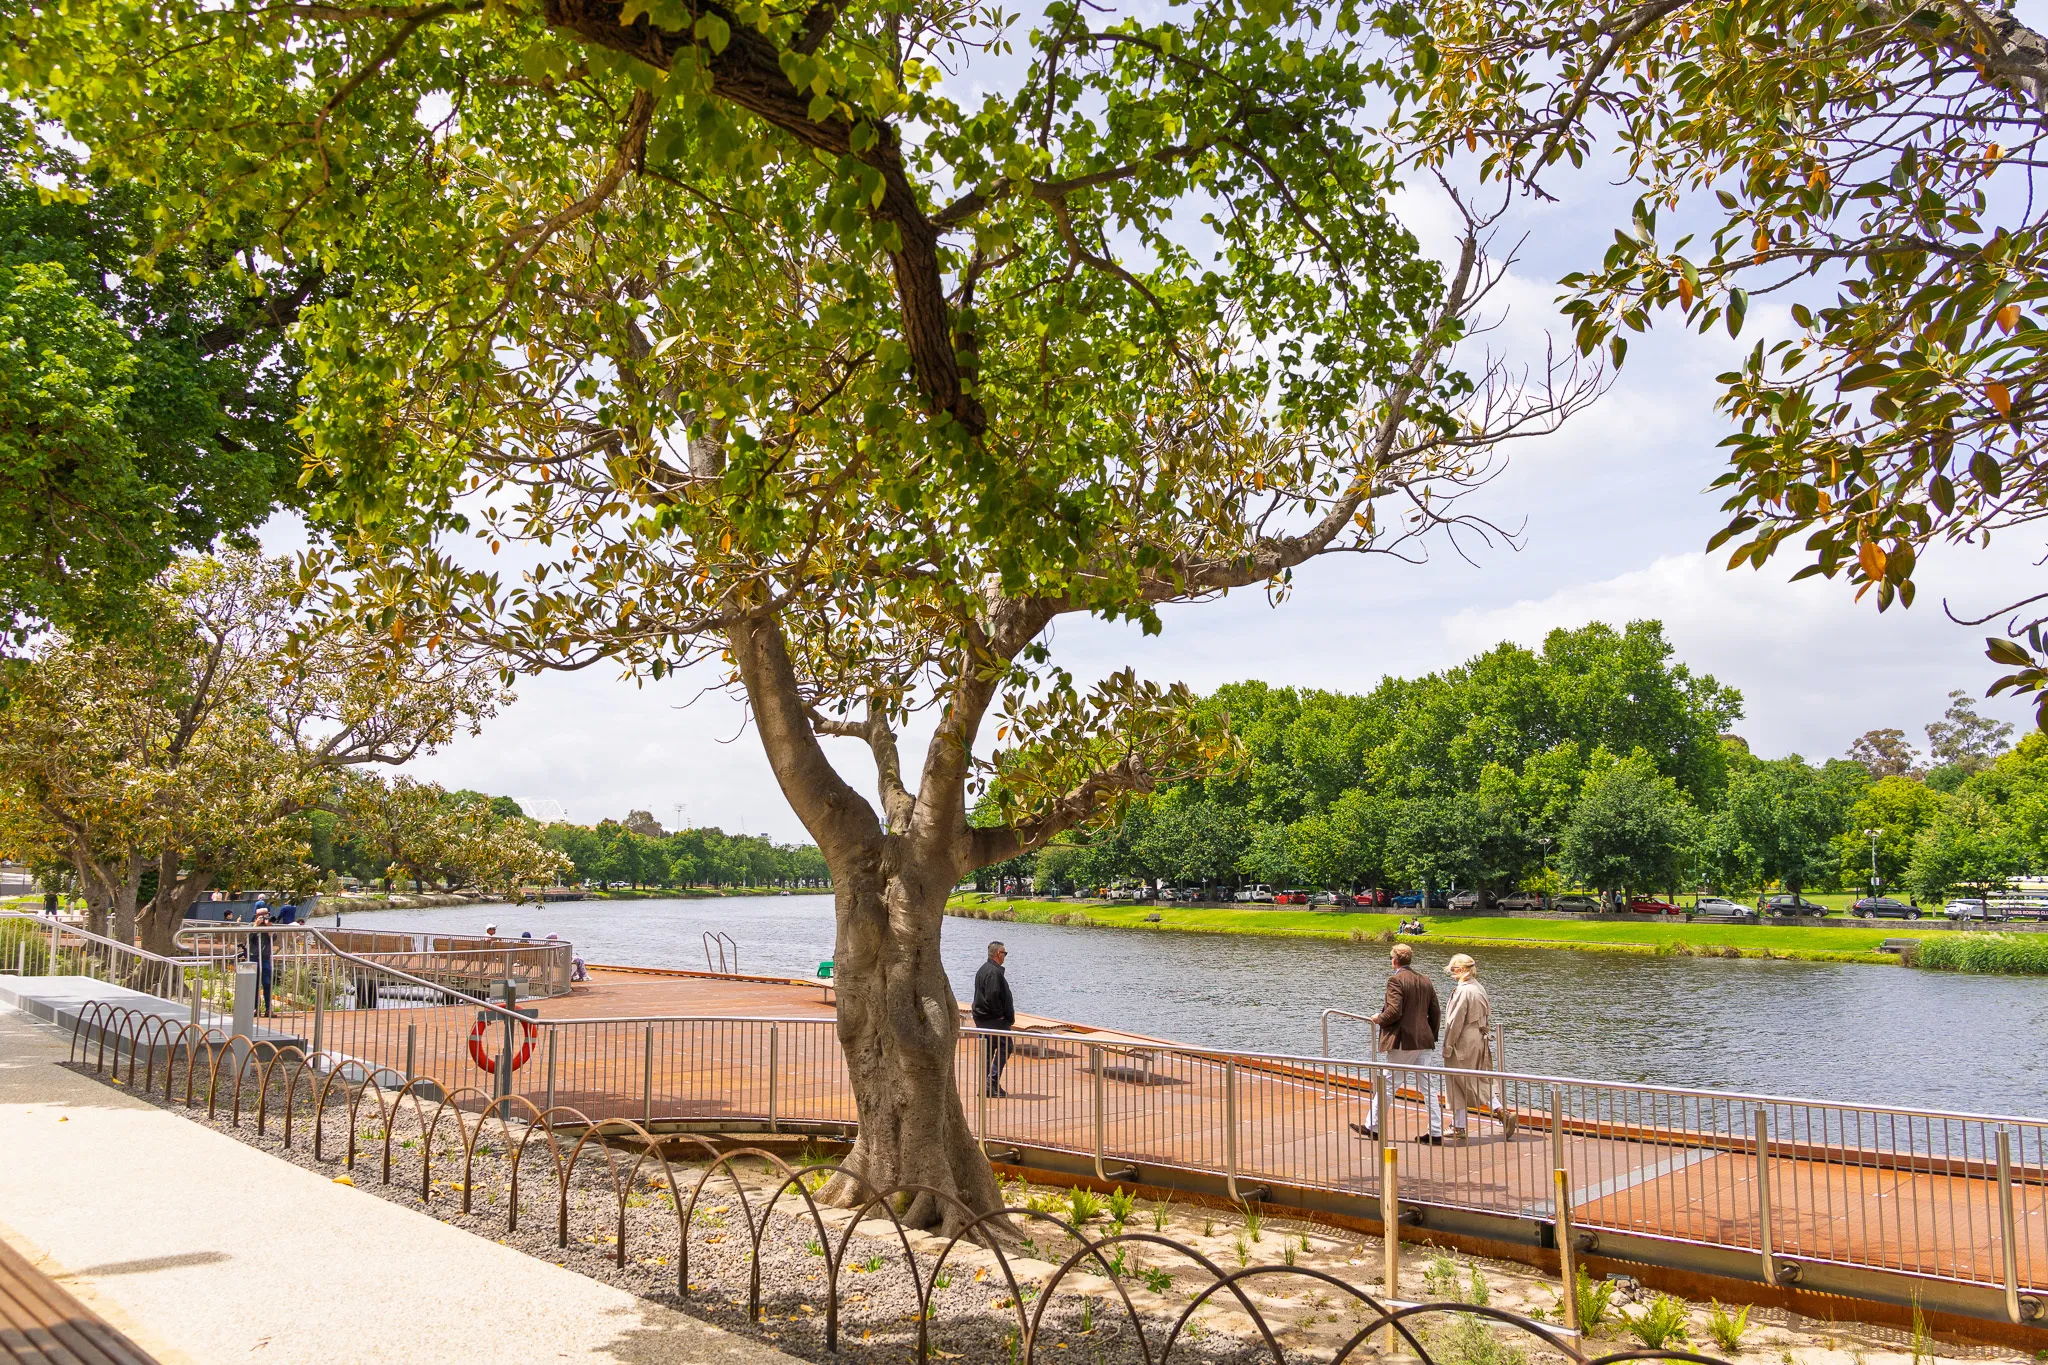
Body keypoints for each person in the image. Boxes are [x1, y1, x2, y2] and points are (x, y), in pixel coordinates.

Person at [1350, 943, 1442, 1144]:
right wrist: (1430, 1035)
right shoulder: (1425, 980)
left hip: (1404, 1040)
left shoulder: (1395, 980)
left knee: (1388, 1083)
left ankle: (1372, 1126)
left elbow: (1394, 1011)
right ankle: (1436, 1132)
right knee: (1428, 1086)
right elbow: (1435, 1012)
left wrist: (1378, 1018)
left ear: (1394, 961)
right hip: (1423, 1040)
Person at [1440, 953, 1515, 1141]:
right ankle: (1466, 1122)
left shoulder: (1464, 991)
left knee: (1458, 1082)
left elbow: (1455, 1022)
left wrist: (1448, 1046)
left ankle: (1491, 1115)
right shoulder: (1478, 987)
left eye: (1454, 969)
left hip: (1464, 1041)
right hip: (1479, 1038)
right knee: (1477, 1079)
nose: (1452, 972)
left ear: (1463, 969)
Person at [972, 940, 1016, 1098]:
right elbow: (992, 996)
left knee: (989, 1050)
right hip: (993, 1019)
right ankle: (992, 1081)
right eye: (1004, 953)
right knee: (1005, 1047)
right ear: (998, 954)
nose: (1005, 956)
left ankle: (987, 1085)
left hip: (984, 1018)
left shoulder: (984, 969)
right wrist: (1000, 1015)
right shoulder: (992, 972)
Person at [241, 909, 276, 1016]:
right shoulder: (251, 926)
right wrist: (256, 926)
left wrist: (269, 926)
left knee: (267, 983)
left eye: (266, 916)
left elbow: (273, 938)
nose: (265, 918)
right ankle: (255, 1008)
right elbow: (247, 937)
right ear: (257, 917)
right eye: (262, 916)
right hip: (253, 957)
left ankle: (268, 1008)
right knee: (254, 984)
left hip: (265, 957)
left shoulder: (270, 926)